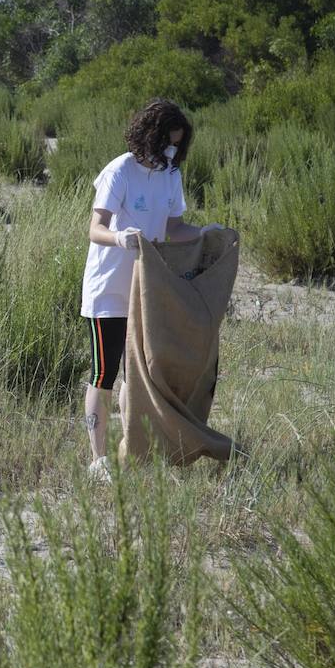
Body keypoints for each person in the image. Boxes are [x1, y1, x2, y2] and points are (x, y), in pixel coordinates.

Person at [80, 99, 221, 482]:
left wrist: (206, 232)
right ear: (150, 137)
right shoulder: (120, 170)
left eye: (177, 146)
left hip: (148, 291)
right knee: (104, 372)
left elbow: (174, 227)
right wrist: (120, 239)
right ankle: (98, 460)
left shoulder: (170, 175)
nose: (171, 153)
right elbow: (95, 228)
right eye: (166, 144)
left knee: (141, 376)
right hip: (108, 290)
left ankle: (136, 451)